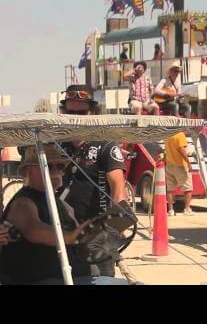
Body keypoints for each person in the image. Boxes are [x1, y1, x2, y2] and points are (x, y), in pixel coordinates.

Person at [0, 145, 128, 285]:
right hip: (41, 279)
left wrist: (102, 234)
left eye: (60, 166)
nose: (56, 171)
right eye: (48, 166)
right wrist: (70, 236)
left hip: (73, 275)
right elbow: (33, 229)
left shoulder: (61, 204)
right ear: (28, 171)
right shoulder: (23, 202)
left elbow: (81, 238)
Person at [58, 84, 128, 278]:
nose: (76, 117)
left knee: (101, 280)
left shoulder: (106, 145)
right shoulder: (54, 144)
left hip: (96, 236)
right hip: (60, 234)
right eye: (71, 112)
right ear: (63, 112)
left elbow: (118, 186)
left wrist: (114, 227)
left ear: (93, 112)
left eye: (82, 112)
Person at [164, 132, 194, 216]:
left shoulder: (168, 135)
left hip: (169, 165)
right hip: (180, 165)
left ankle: (170, 210)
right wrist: (189, 163)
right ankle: (187, 209)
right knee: (188, 188)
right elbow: (181, 148)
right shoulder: (180, 134)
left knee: (170, 189)